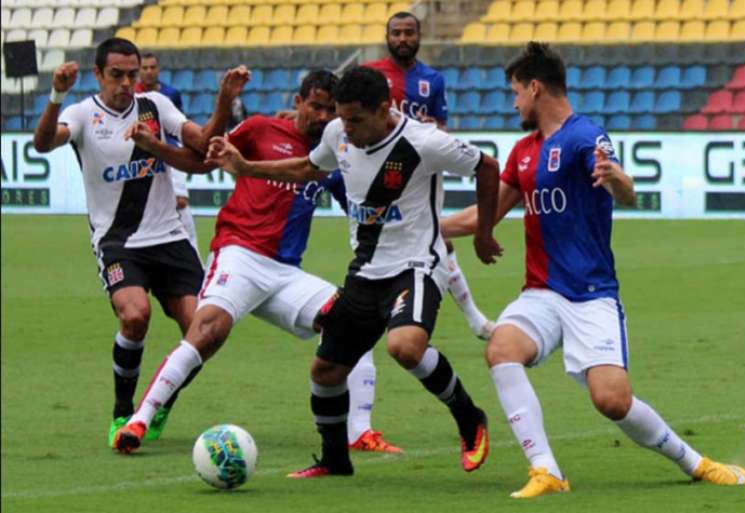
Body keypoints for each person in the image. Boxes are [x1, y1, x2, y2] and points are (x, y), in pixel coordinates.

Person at [441, 42, 745, 499]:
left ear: (535, 87)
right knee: (502, 350)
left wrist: (618, 180)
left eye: (515, 92)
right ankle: (546, 470)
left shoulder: (586, 136)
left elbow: (624, 189)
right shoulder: (523, 152)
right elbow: (482, 216)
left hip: (591, 294)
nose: (513, 103)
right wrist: (421, 226)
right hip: (542, 292)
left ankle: (696, 462)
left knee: (612, 401)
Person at [205, 66, 502, 478]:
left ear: (384, 110)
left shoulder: (423, 142)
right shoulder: (337, 132)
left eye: (355, 120)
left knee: (405, 346)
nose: (345, 128)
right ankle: (334, 461)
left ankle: (470, 419)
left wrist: (484, 233)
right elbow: (309, 169)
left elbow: (487, 168)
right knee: (325, 370)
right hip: (365, 270)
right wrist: (247, 167)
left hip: (416, 264)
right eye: (341, 118)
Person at [113, 70, 401, 455]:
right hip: (240, 253)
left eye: (329, 110)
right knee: (208, 330)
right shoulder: (260, 129)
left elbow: (363, 211)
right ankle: (139, 420)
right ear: (298, 103)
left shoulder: (334, 154)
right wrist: (156, 147)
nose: (321, 116)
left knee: (355, 325)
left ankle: (359, 432)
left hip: (285, 273)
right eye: (315, 106)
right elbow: (202, 162)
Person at [32, 37, 248, 447]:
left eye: (132, 74)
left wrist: (223, 100)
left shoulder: (156, 106)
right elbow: (43, 143)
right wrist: (57, 94)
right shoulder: (81, 114)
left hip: (170, 236)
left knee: (207, 331)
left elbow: (203, 144)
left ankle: (158, 401)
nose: (126, 83)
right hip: (118, 241)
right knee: (134, 316)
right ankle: (121, 412)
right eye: (117, 75)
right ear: (98, 75)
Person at [364, 11, 494, 341]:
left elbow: (441, 126)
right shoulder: (371, 74)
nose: (403, 39)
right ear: (387, 36)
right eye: (396, 33)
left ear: (419, 36)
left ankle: (470, 319)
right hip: (378, 172)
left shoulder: (432, 80)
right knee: (420, 242)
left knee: (438, 242)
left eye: (409, 32)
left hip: (421, 174)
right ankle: (471, 319)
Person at [136, 52, 198, 251]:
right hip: (144, 156)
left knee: (180, 202)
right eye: (144, 68)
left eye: (152, 67)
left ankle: (192, 253)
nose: (148, 71)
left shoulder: (171, 94)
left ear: (158, 69)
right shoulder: (131, 95)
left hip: (171, 152)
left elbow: (180, 125)